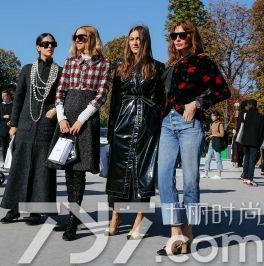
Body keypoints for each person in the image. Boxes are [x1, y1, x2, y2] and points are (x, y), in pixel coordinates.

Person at [157, 20, 230, 255]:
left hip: (189, 124)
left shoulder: (202, 61)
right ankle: (175, 233)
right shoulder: (171, 64)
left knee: (190, 180)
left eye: (182, 35)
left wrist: (198, 102)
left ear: (191, 37)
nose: (177, 39)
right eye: (173, 35)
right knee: (164, 178)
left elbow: (222, 91)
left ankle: (188, 233)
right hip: (166, 124)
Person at [50, 25, 110, 241]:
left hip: (85, 120)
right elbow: (60, 92)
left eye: (82, 37)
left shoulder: (103, 63)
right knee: (67, 169)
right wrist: (62, 118)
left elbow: (101, 95)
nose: (78, 40)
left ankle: (73, 222)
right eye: (75, 37)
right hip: (66, 118)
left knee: (80, 170)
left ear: (92, 39)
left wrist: (81, 119)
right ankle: (71, 218)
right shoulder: (69, 62)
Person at [105, 25, 164, 238]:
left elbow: (162, 101)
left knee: (143, 173)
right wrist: (111, 131)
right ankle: (116, 216)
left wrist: (154, 119)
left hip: (147, 128)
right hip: (123, 125)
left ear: (145, 41)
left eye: (138, 38)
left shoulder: (157, 68)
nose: (135, 42)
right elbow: (114, 104)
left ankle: (139, 218)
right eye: (131, 39)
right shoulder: (121, 70)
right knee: (119, 172)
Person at [0, 33, 61, 225]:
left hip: (45, 127)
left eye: (53, 44)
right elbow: (18, 99)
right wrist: (14, 124)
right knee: (19, 167)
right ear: (38, 47)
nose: (50, 47)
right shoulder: (27, 70)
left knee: (42, 170)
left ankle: (36, 211)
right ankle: (14, 209)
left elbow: (62, 97)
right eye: (46, 44)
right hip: (25, 125)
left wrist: (53, 110)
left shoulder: (59, 71)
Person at [240, 99, 264, 186]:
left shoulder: (247, 115)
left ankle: (245, 177)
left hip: (245, 140)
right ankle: (250, 178)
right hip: (255, 141)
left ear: (251, 105)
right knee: (252, 160)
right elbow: (261, 131)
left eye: (248, 104)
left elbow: (243, 128)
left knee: (246, 158)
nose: (247, 106)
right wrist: (260, 142)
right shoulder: (260, 116)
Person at [201, 111, 224, 179]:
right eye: (211, 116)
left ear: (217, 117)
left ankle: (219, 174)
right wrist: (207, 133)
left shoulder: (220, 124)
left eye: (213, 116)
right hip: (211, 143)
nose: (212, 117)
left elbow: (222, 134)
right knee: (207, 158)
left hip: (217, 143)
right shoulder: (211, 124)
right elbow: (210, 132)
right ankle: (206, 173)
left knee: (218, 158)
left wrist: (213, 135)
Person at [0, 90, 13, 162]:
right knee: (4, 147)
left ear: (8, 96)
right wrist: (3, 117)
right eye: (2, 96)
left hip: (11, 129)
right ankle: (5, 162)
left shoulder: (13, 105)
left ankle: (10, 163)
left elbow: (17, 116)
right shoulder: (0, 106)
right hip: (3, 129)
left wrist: (10, 118)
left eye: (4, 96)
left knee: (11, 146)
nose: (3, 98)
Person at [232, 100, 247, 169]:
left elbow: (237, 123)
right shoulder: (244, 113)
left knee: (237, 147)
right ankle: (239, 161)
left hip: (238, 132)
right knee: (240, 148)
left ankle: (237, 161)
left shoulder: (240, 113)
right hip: (242, 132)